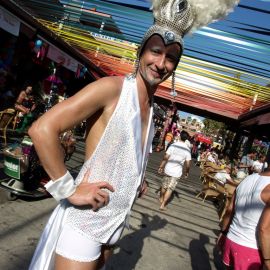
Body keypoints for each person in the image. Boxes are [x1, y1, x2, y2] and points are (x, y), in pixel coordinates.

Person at [28, 0, 239, 269]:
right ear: (141, 51)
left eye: (171, 57)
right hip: (85, 222)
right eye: (155, 51)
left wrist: (136, 179)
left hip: (116, 224)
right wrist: (68, 189)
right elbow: (43, 129)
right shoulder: (111, 89)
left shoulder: (152, 110)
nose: (161, 63)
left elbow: (125, 152)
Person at [217, 167, 270, 270]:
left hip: (231, 239)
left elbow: (230, 209)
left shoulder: (248, 179)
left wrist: (223, 233)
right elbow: (264, 229)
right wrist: (268, 260)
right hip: (251, 249)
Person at [158, 130, 191, 210]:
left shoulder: (173, 145)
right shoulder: (187, 150)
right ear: (186, 139)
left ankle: (161, 197)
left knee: (164, 185)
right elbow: (188, 163)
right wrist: (187, 172)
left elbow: (166, 157)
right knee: (170, 189)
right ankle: (163, 205)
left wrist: (161, 166)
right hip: (177, 173)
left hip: (168, 169)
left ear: (179, 137)